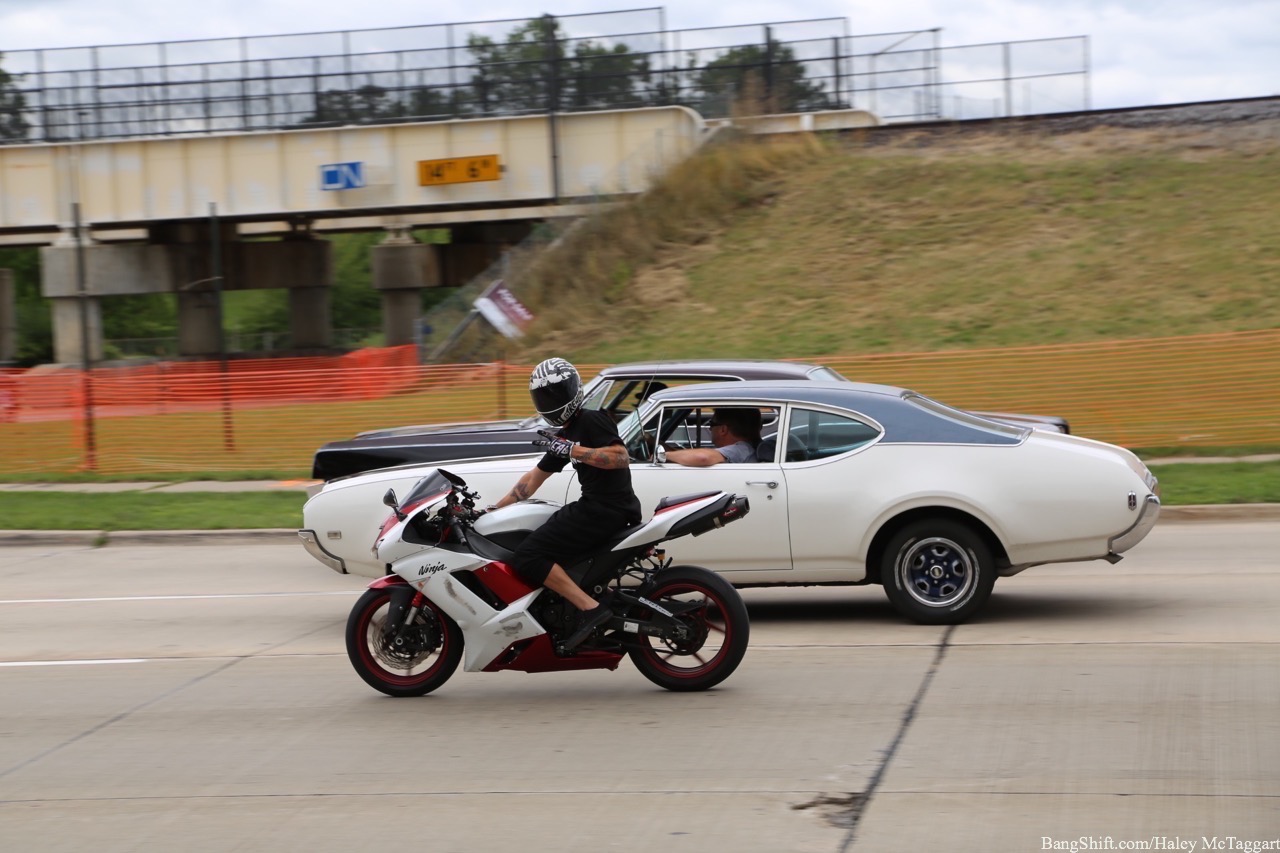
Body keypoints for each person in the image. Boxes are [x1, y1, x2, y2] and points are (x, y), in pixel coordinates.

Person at [492, 357, 642, 649]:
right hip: (601, 510)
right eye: (544, 396)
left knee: (528, 556)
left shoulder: (591, 420)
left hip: (604, 510)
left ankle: (590, 609)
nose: (550, 401)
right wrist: (491, 512)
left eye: (555, 394)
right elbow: (532, 481)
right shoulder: (566, 435)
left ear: (572, 390)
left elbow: (620, 457)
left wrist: (574, 450)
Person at [662, 407, 762, 466]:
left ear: (723, 430)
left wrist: (663, 455)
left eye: (711, 424)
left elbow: (702, 457)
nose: (710, 429)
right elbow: (687, 456)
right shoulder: (753, 447)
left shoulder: (741, 449)